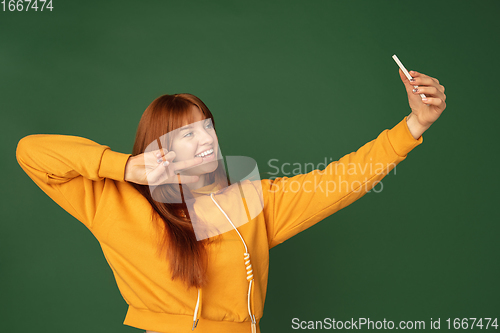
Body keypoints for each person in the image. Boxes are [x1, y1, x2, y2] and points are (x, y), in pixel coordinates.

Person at [16, 69, 446, 333]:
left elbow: (339, 181)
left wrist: (413, 124)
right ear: (159, 144)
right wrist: (125, 167)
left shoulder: (251, 201)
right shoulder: (114, 201)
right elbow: (30, 152)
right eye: (188, 133)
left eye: (208, 126)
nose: (206, 139)